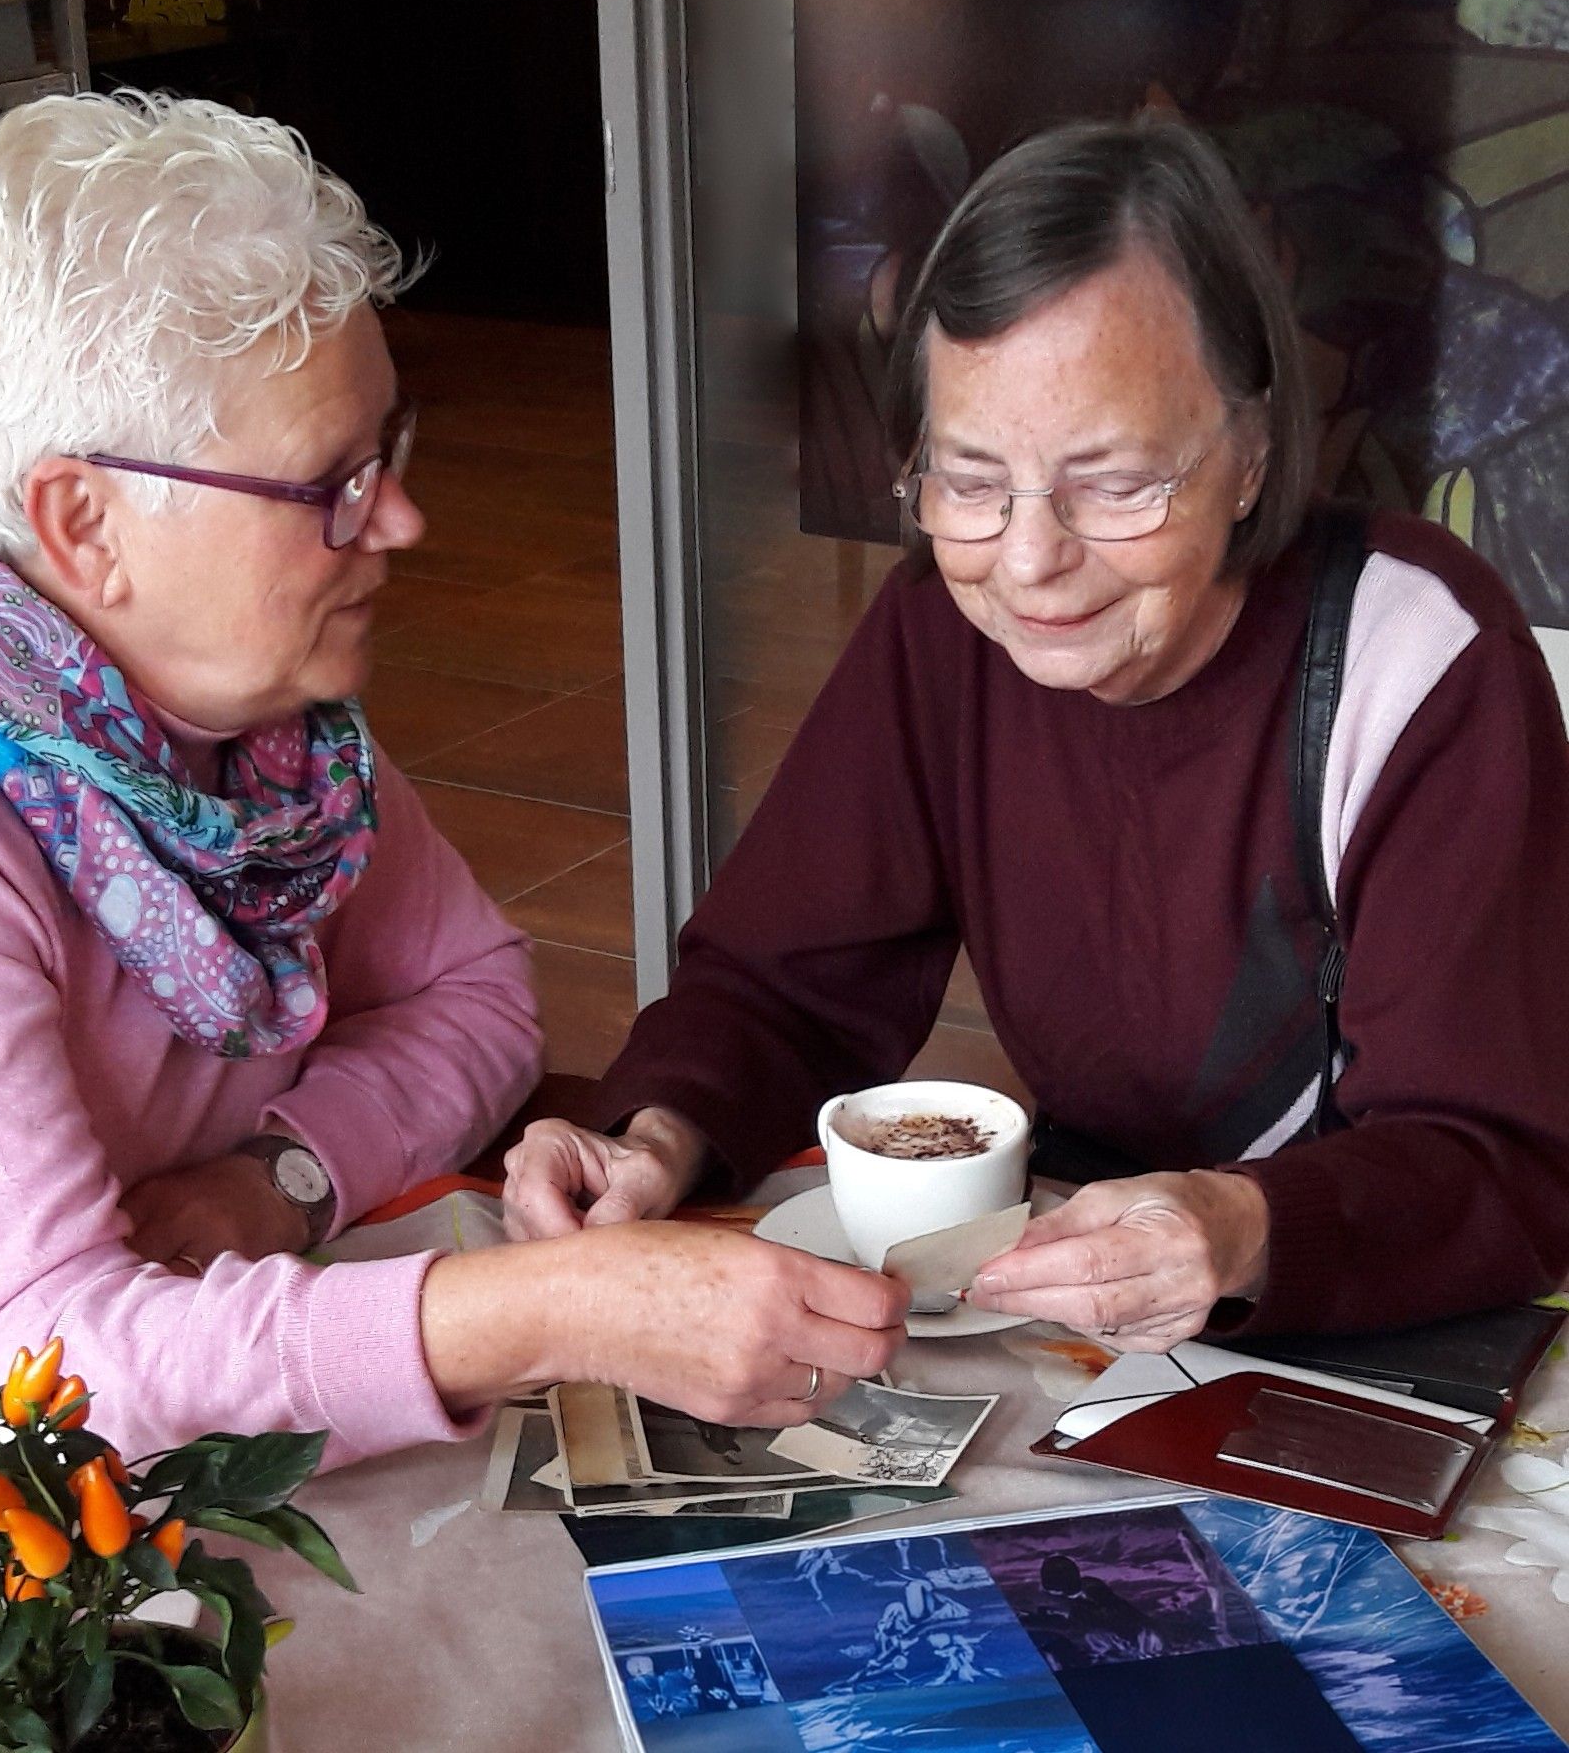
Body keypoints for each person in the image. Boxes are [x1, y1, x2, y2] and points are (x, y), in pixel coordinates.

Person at [0, 91, 907, 1457]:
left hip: (177, 1430)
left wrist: (277, 1181)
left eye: (386, 452)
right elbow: (52, 1367)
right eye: (330, 482)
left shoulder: (251, 733)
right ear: (83, 521)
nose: (399, 518)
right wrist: (550, 1311)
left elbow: (476, 995)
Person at [505, 114, 1569, 1352]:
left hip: (1371, 1310)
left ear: (1250, 451)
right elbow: (783, 982)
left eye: (1110, 483)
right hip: (1076, 1290)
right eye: (967, 480)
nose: (1025, 562)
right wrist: (659, 1131)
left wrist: (1239, 1224)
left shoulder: (1416, 656)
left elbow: (1504, 1158)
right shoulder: (943, 629)